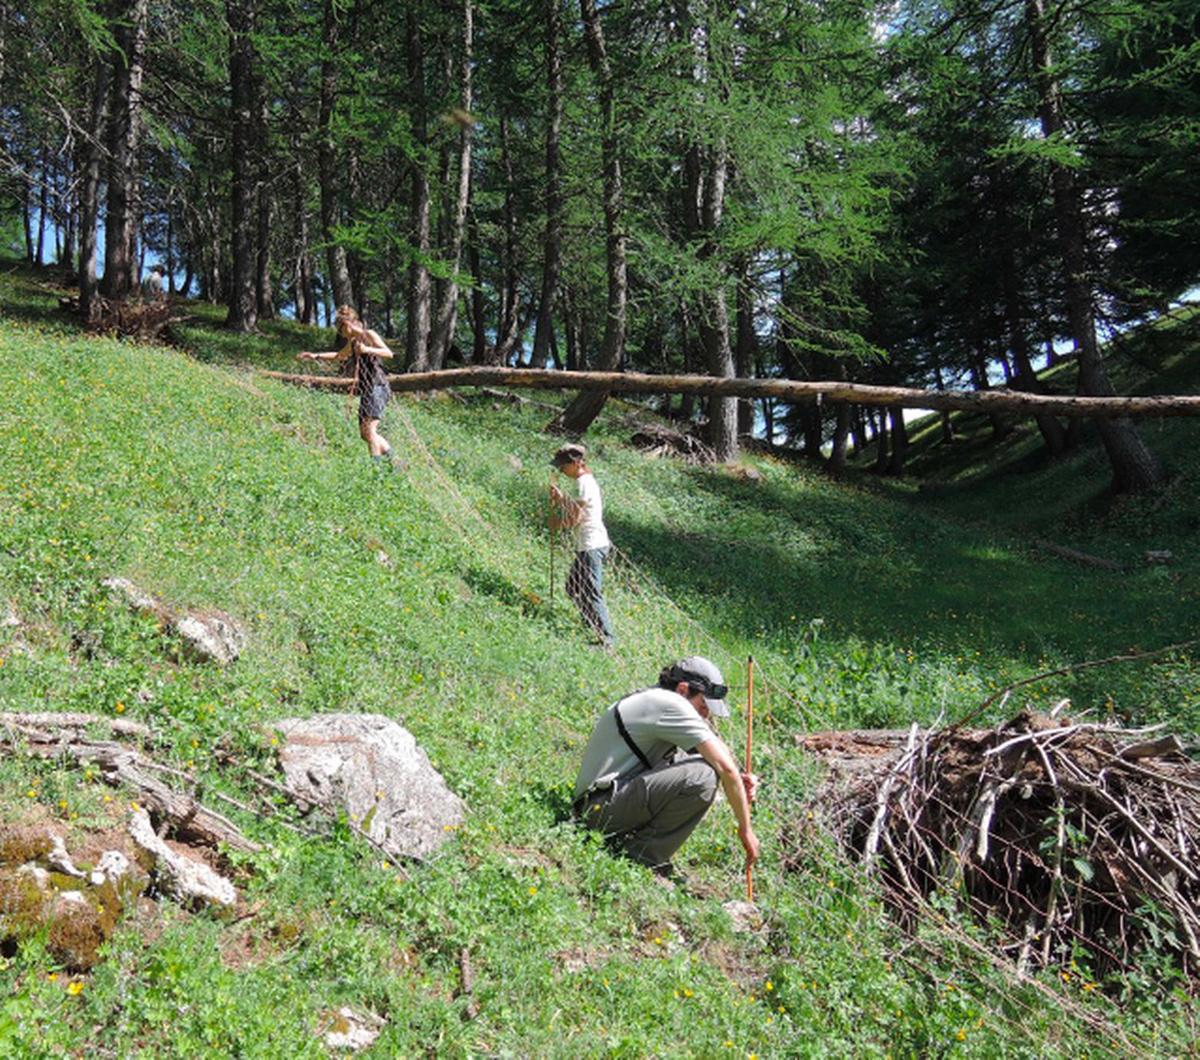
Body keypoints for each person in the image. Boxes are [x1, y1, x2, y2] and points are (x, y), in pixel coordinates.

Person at [572, 656, 759, 877]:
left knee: (700, 765)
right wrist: (745, 828)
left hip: (598, 804)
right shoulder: (672, 706)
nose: (705, 715)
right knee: (703, 777)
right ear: (682, 689)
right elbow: (724, 768)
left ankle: (634, 845)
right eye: (703, 705)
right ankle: (641, 858)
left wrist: (738, 776)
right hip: (597, 811)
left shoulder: (657, 699)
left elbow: (720, 754)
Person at [299, 306, 396, 463]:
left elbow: (388, 353)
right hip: (367, 388)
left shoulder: (368, 334)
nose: (340, 333)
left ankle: (376, 470)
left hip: (378, 386)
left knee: (370, 431)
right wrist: (315, 355)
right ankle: (395, 461)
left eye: (340, 329)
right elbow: (339, 355)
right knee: (365, 434)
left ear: (347, 325)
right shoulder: (353, 342)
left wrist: (367, 349)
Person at [549, 443, 614, 646]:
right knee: (572, 587)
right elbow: (580, 509)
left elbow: (576, 517)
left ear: (576, 463)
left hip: (591, 545)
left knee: (591, 590)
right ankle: (591, 625)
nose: (561, 470)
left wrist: (557, 525)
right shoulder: (584, 481)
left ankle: (607, 639)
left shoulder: (583, 482)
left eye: (563, 466)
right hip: (587, 545)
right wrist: (561, 500)